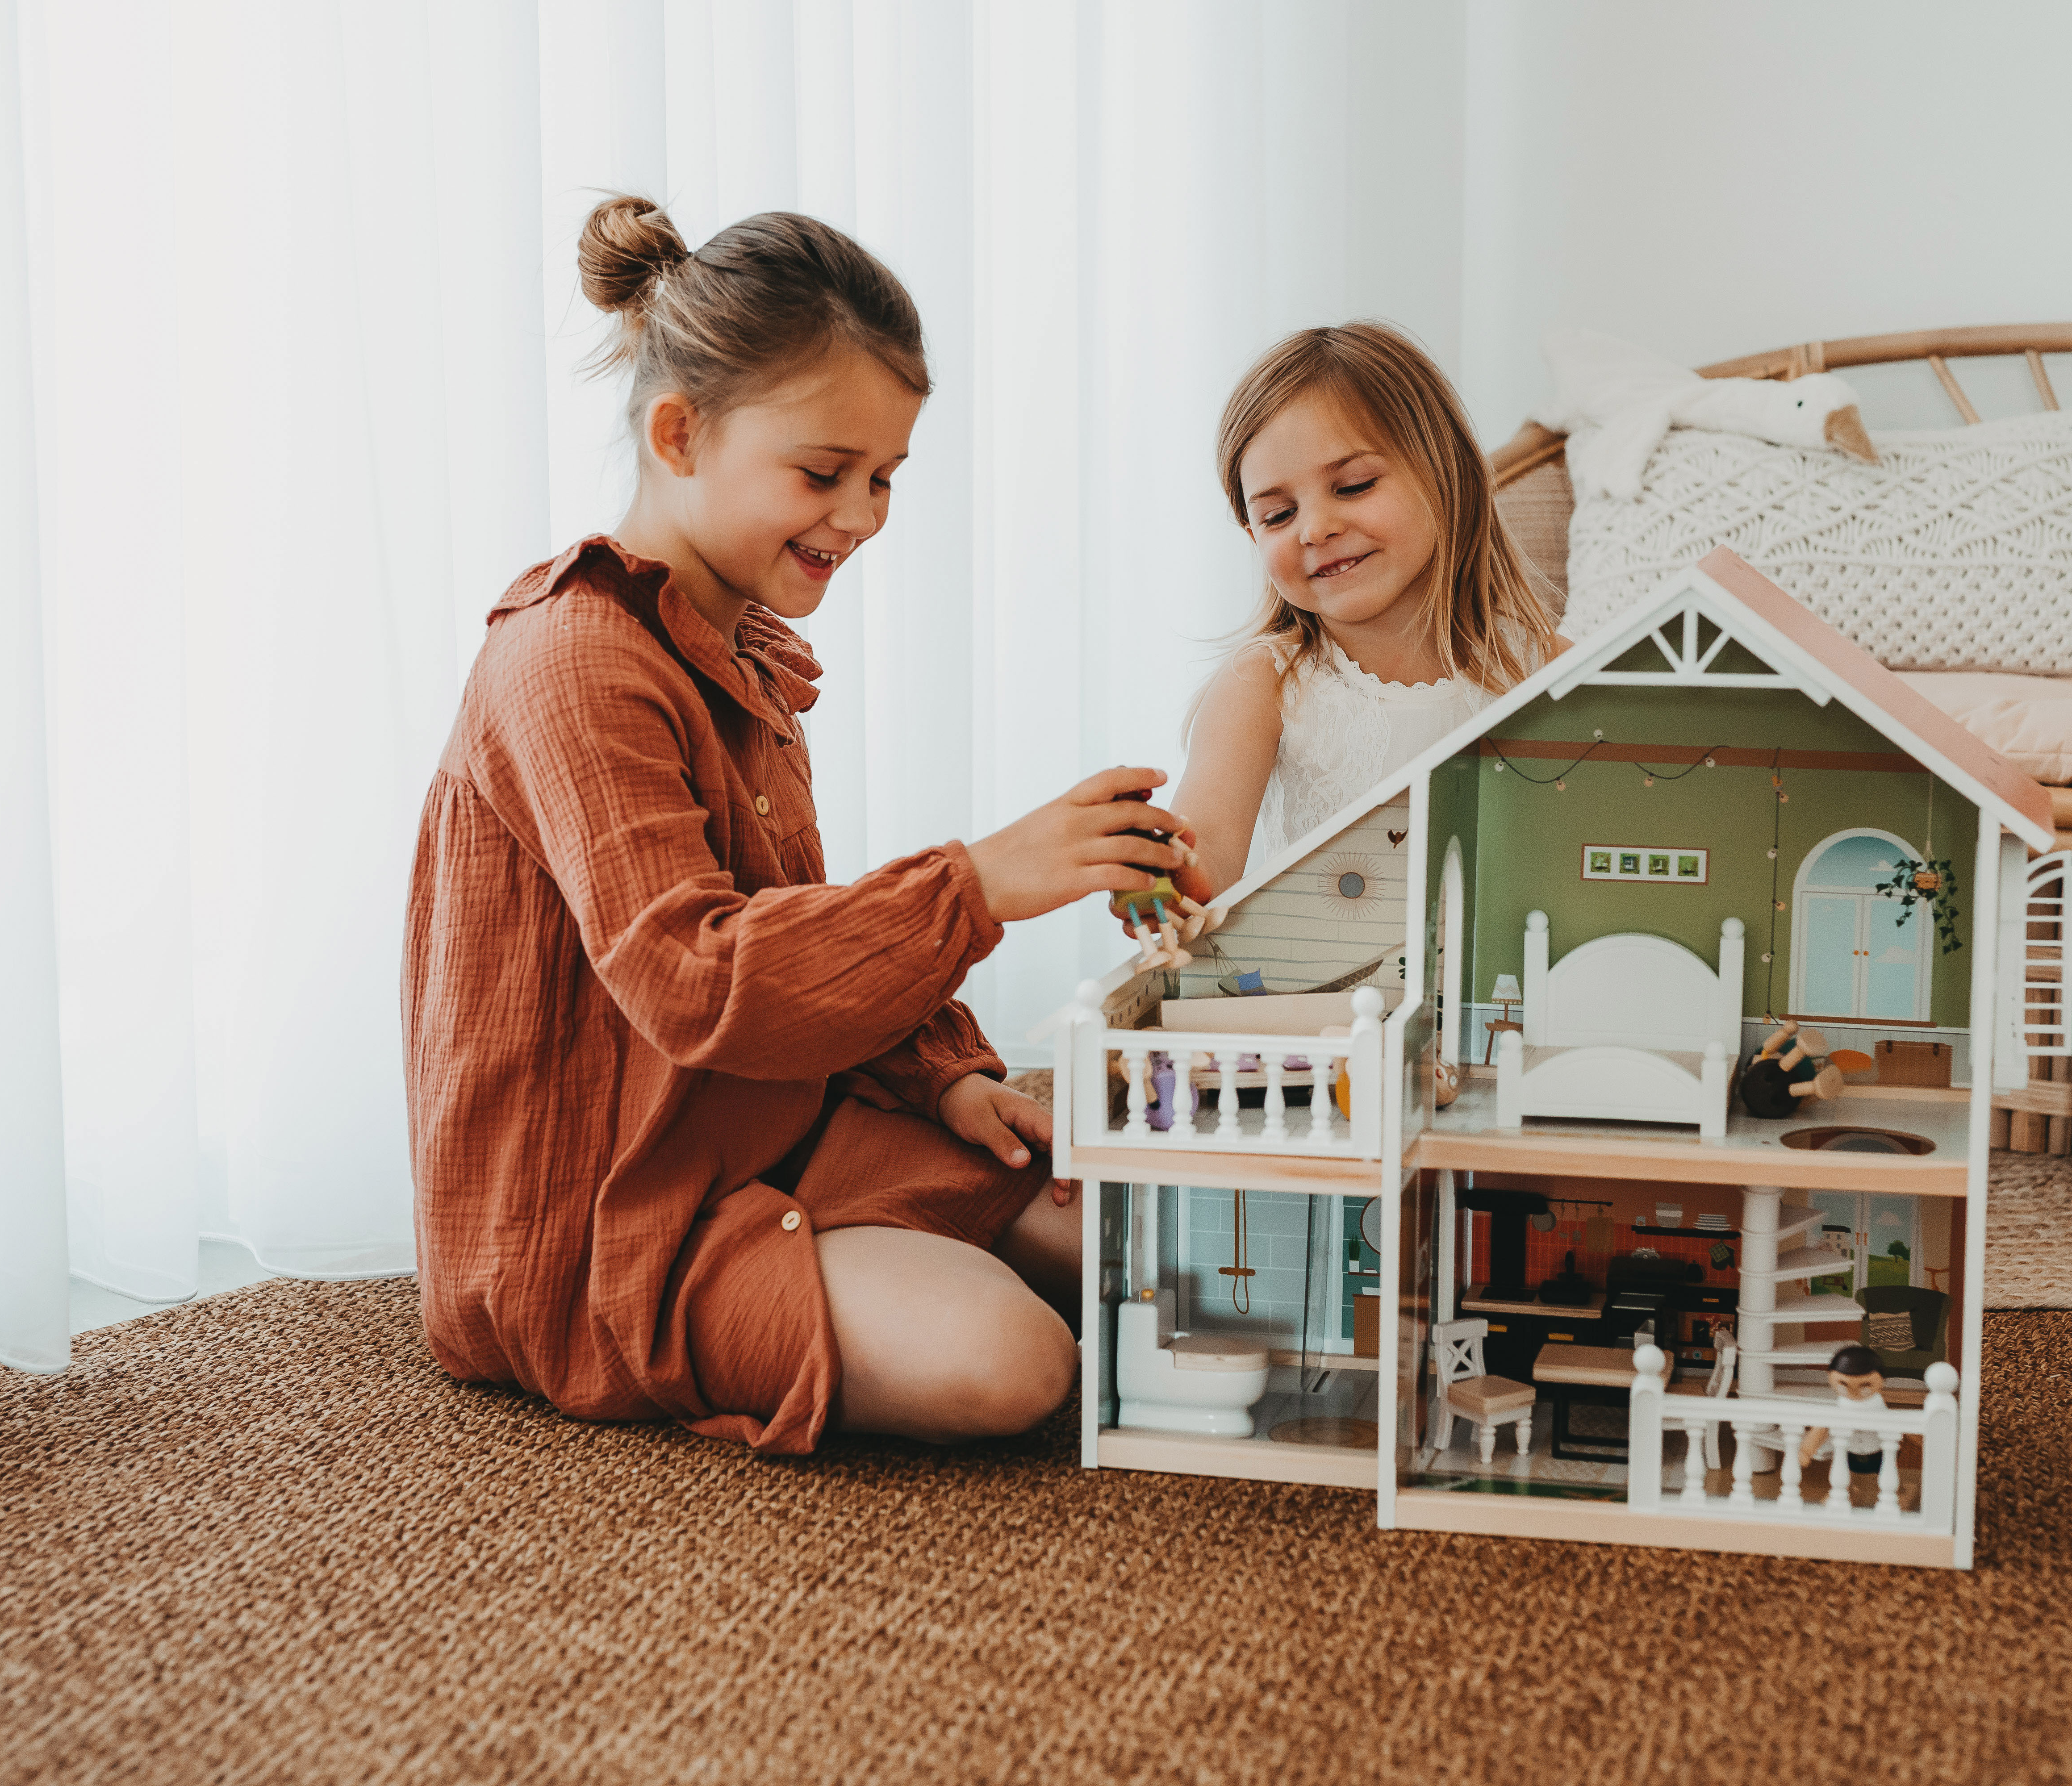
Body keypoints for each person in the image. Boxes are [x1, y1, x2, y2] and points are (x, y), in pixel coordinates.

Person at [404, 198, 1195, 1454]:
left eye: (884, 477)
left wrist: (946, 1076)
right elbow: (696, 973)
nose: (866, 514)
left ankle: (868, 1227)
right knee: (1015, 1361)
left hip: (773, 1132)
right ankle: (832, 1266)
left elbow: (792, 931)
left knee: (1143, 1238)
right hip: (613, 1224)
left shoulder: (737, 652)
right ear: (680, 435)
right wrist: (979, 885)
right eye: (825, 474)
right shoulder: (568, 663)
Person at [1137, 322, 1562, 921]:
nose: (1315, 529)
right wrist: (1165, 872)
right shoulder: (1265, 682)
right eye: (1279, 516)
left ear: (1447, 475)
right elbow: (1208, 848)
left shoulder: (1550, 668)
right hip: (1325, 1006)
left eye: (1354, 485)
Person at [1797, 1343, 1893, 1483]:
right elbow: (1822, 1428)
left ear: (1882, 1381)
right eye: (1844, 1386)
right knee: (1843, 1476)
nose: (1854, 1392)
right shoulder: (1840, 1406)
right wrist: (1806, 1451)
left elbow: (1897, 1423)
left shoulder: (1877, 1404)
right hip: (1848, 1451)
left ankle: (1900, 1491)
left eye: (1864, 1387)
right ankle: (1849, 1492)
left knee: (1888, 1477)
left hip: (1879, 1452)